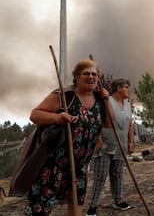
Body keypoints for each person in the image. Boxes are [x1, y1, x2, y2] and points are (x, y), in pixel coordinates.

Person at [24, 59, 110, 216]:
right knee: (40, 205)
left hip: (80, 164)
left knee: (76, 201)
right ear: (77, 76)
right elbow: (35, 115)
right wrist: (58, 118)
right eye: (86, 74)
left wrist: (107, 100)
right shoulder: (65, 95)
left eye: (94, 74)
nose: (91, 77)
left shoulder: (99, 99)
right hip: (54, 163)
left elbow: (109, 124)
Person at [86, 78, 135, 216]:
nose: (128, 90)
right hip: (106, 144)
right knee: (101, 175)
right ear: (118, 88)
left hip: (122, 145)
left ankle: (119, 201)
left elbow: (130, 125)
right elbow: (97, 121)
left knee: (117, 174)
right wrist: (99, 139)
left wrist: (131, 142)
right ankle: (93, 206)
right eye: (126, 87)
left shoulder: (127, 104)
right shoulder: (105, 101)